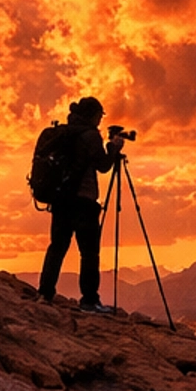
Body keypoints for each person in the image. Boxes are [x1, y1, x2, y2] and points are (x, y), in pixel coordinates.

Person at [36, 96, 122, 310]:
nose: (100, 121)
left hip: (61, 201)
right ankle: (90, 300)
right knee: (89, 253)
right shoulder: (90, 136)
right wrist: (113, 148)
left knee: (57, 247)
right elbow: (103, 165)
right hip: (84, 202)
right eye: (99, 116)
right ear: (93, 115)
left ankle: (45, 294)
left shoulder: (63, 133)